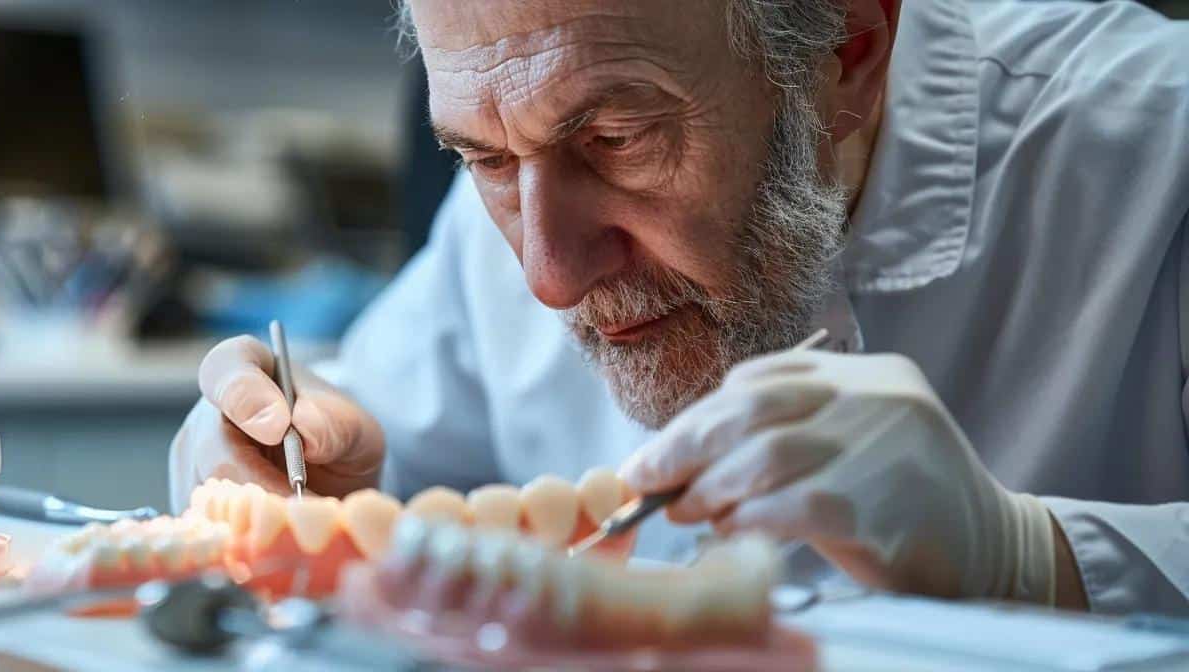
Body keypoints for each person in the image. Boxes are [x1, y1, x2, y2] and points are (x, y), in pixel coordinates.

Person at [169, 0, 1189, 614]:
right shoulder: (524, 195)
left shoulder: (1157, 155)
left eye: (616, 139)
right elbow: (350, 447)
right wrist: (270, 467)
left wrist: (1027, 557)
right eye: (481, 158)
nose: (549, 277)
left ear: (845, 54)